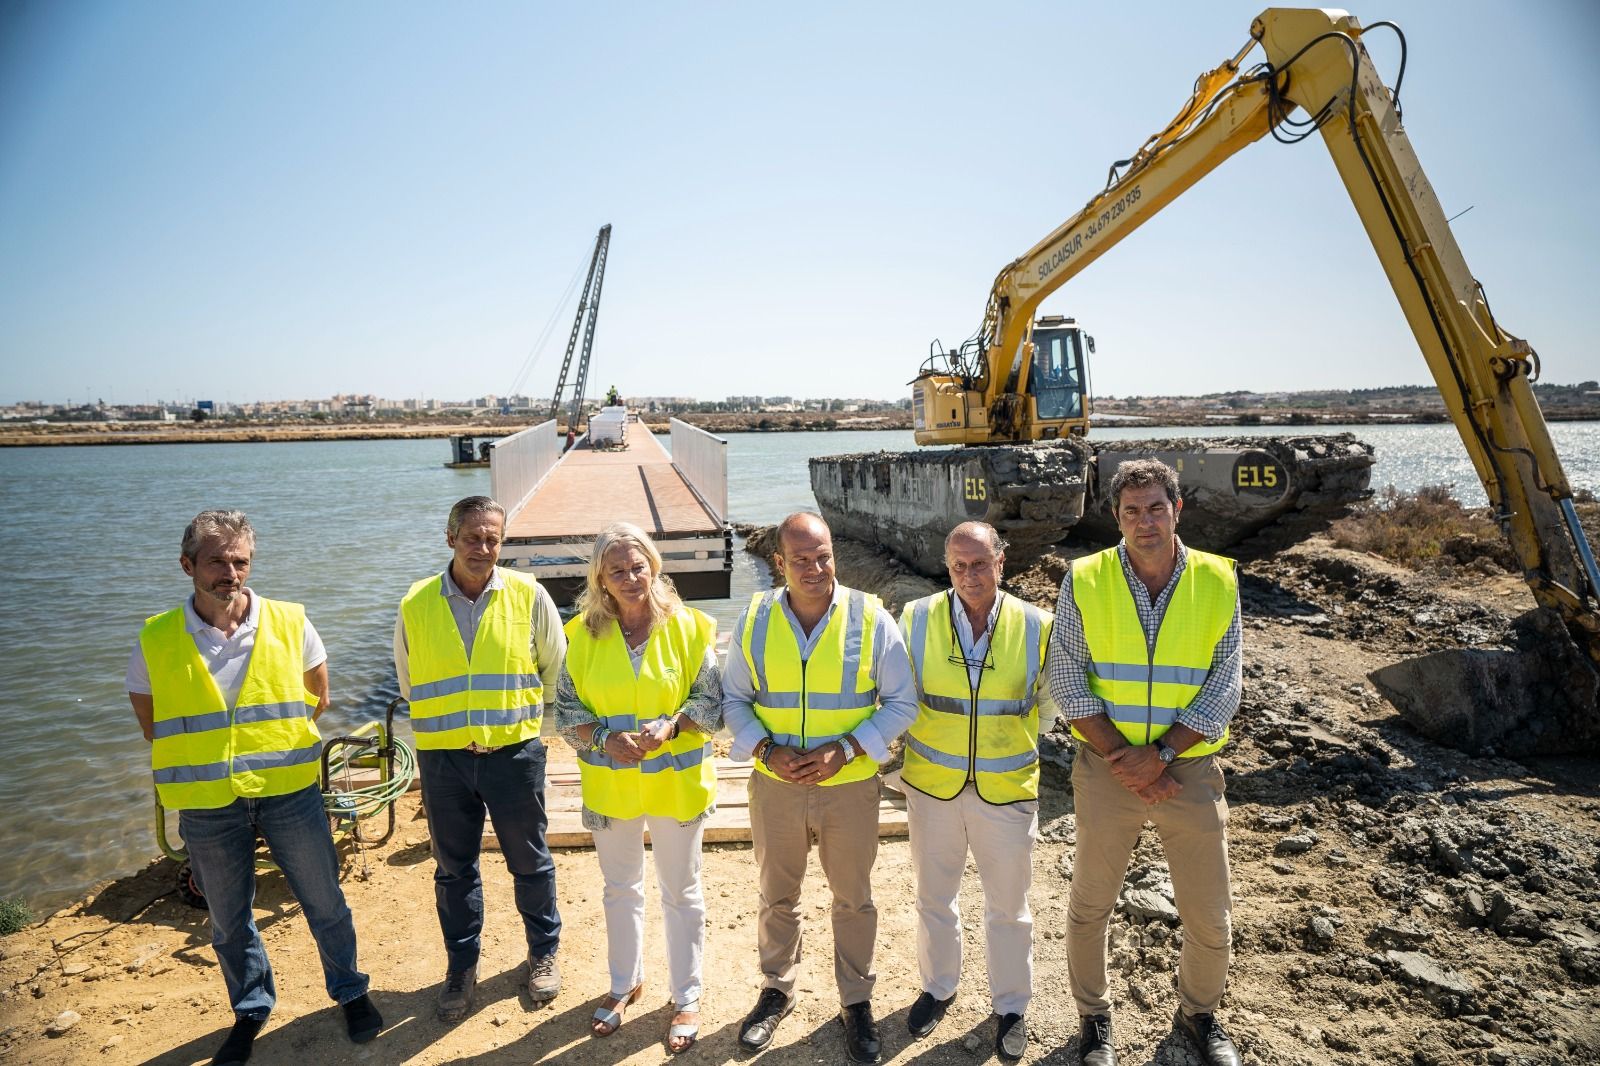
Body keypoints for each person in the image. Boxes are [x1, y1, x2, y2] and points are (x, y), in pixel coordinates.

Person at [127, 510, 382, 1065]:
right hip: (207, 805)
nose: (230, 571)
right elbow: (152, 723)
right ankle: (250, 1008)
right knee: (228, 919)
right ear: (187, 565)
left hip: (288, 791)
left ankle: (351, 991)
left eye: (240, 559)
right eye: (216, 560)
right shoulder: (156, 638)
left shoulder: (291, 622)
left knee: (325, 901)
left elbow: (318, 697)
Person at [1046, 460, 1243, 1066]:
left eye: (1155, 507)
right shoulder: (1085, 579)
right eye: (1131, 511)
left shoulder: (1217, 580)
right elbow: (1067, 679)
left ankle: (1198, 1015)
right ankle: (1094, 1021)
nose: (1144, 521)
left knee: (1210, 916)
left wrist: (1159, 758)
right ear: (1116, 517)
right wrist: (1122, 758)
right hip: (1108, 771)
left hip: (1187, 769)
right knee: (1090, 905)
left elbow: (1224, 685)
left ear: (1177, 509)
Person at [722, 512, 920, 1065]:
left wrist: (848, 749)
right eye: (802, 560)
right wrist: (765, 750)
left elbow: (902, 702)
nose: (816, 569)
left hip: (850, 787)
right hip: (775, 786)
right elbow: (733, 700)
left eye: (824, 555)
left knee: (853, 899)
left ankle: (856, 1002)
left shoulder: (870, 616)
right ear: (779, 563)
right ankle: (776, 989)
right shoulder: (756, 617)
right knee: (776, 895)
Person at [394, 495, 567, 1022]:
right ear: (451, 539)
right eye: (473, 537)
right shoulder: (416, 603)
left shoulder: (528, 595)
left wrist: (526, 735)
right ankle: (461, 968)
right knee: (453, 871)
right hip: (444, 760)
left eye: (493, 538)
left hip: (513, 755)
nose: (484, 548)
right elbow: (408, 680)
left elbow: (554, 671)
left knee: (530, 862)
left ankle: (543, 954)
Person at [553, 523, 723, 1053]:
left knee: (682, 892)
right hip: (614, 789)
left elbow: (713, 706)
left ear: (655, 567)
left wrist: (672, 725)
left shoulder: (692, 627)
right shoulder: (580, 635)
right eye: (617, 571)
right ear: (601, 579)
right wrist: (604, 737)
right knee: (620, 890)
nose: (630, 578)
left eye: (638, 566)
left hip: (676, 787)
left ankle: (686, 995)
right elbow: (564, 713)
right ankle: (625, 983)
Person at [896, 521, 1053, 1061]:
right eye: (959, 565)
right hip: (932, 786)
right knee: (934, 898)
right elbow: (898, 695)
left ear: (1001, 563)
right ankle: (938, 989)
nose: (969, 575)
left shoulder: (1037, 626)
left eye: (980, 563)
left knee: (1009, 906)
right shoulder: (915, 618)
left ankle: (1011, 1005)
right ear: (948, 567)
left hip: (1006, 790)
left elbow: (1050, 705)